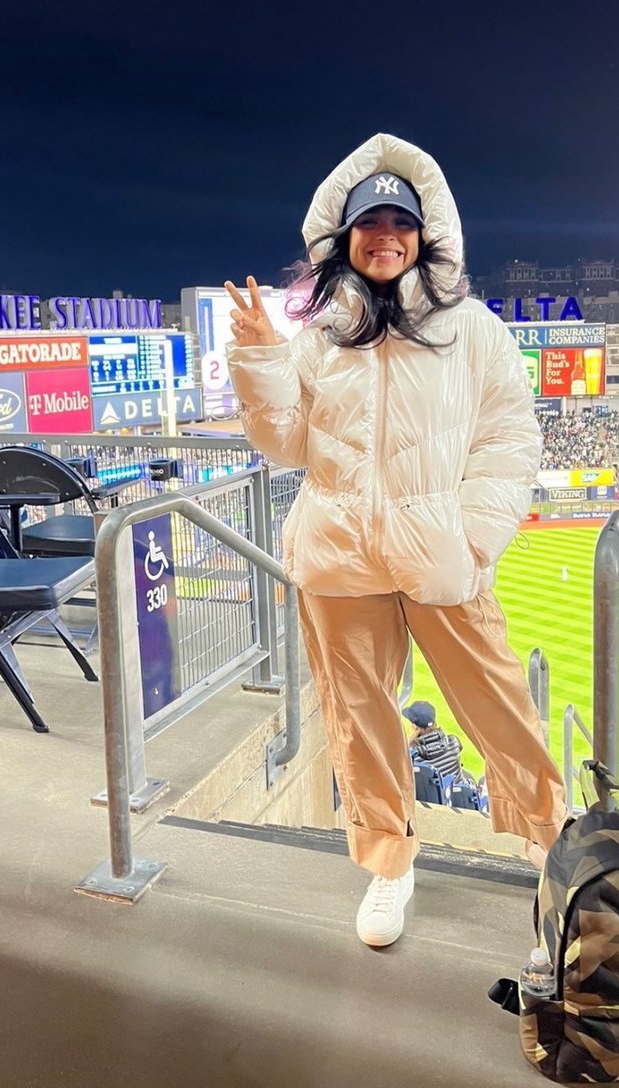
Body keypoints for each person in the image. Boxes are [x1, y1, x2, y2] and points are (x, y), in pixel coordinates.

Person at [225, 133, 568, 949]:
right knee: (358, 714)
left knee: (498, 702)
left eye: (400, 224)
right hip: (337, 555)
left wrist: (474, 539)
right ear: (341, 238)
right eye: (368, 224)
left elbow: (508, 440)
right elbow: (282, 444)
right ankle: (388, 862)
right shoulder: (315, 334)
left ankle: (552, 842)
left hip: (439, 552)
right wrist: (257, 358)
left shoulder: (472, 329)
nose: (385, 237)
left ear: (424, 234)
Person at [402, 699, 476, 787]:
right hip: (458, 794)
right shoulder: (454, 741)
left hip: (432, 795)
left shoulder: (411, 755)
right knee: (467, 775)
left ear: (414, 726)